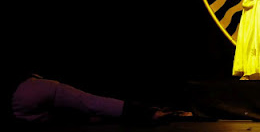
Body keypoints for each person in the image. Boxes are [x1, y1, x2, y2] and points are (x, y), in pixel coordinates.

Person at [9, 72, 192, 125]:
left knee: (79, 116)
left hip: (19, 107)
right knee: (92, 103)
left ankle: (146, 114)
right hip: (28, 90)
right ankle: (149, 113)